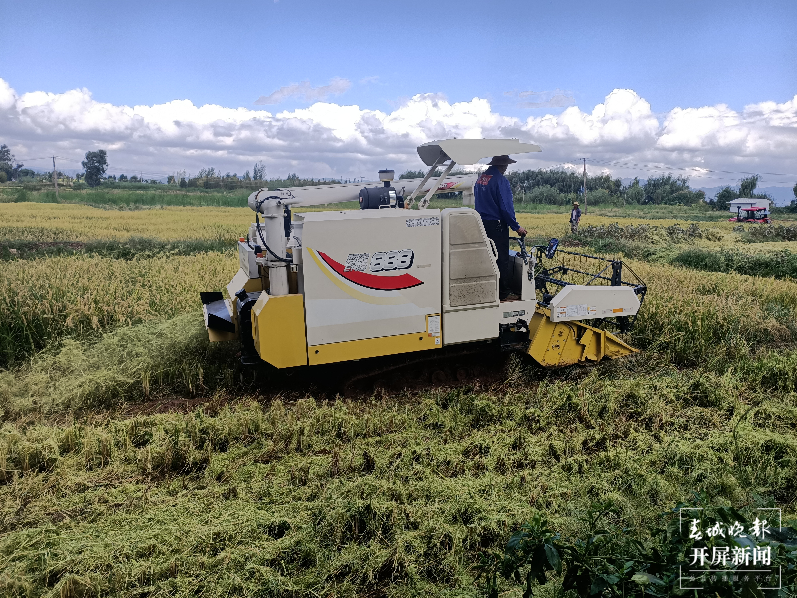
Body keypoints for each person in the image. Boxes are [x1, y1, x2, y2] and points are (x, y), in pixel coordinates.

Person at [474, 155, 527, 301]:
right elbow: (505, 208)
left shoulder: (481, 179)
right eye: (506, 165)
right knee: (501, 258)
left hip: (481, 223)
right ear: (503, 165)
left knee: (487, 257)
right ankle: (503, 293)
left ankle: (488, 289)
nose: (506, 168)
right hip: (496, 225)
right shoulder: (500, 180)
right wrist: (516, 227)